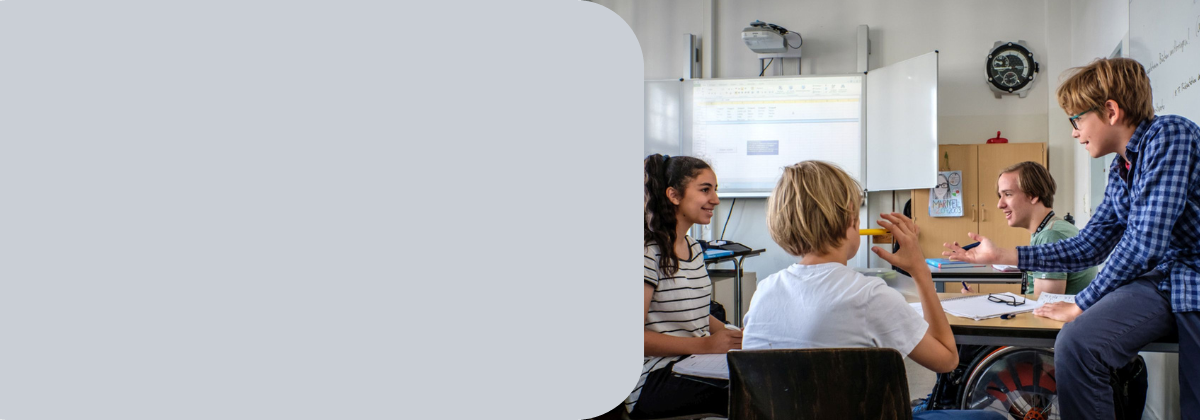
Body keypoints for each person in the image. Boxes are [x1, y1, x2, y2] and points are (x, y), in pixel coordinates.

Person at [942, 57, 1200, 419]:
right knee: (1077, 342)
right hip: (1163, 278)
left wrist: (1083, 302)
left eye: (1077, 119)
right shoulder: (1121, 168)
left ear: (1110, 111)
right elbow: (1090, 245)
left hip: (1191, 276)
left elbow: (1145, 243)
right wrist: (1002, 254)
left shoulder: (1170, 135)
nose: (1075, 132)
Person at [741, 160, 1004, 420]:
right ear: (851, 217)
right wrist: (920, 272)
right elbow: (947, 360)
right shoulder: (869, 296)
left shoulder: (763, 292)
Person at [628, 154, 740, 419]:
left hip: (693, 364)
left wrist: (736, 337)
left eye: (715, 190)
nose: (715, 199)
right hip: (653, 380)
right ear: (674, 196)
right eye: (705, 190)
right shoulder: (647, 252)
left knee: (757, 373)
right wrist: (708, 346)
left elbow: (696, 311)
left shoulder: (693, 248)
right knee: (751, 387)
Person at [959, 161, 1096, 299]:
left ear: (1033, 195)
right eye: (1000, 196)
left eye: (1008, 194)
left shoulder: (1050, 235)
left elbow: (1042, 309)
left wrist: (980, 302)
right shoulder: (1052, 227)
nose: (1000, 204)